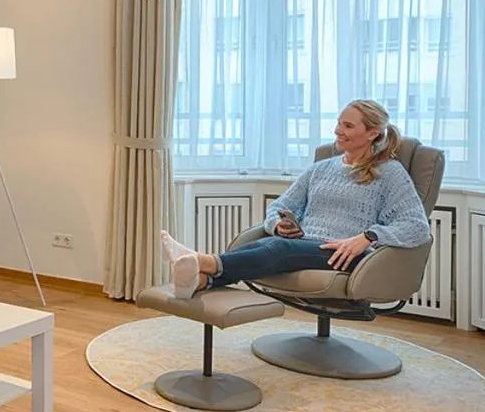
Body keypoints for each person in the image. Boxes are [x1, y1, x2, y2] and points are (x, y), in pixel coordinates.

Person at [160, 99, 431, 299]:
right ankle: (201, 281)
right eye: (338, 122)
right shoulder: (321, 168)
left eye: (348, 126)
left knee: (278, 249)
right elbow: (280, 206)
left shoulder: (390, 173)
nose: (338, 130)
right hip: (305, 245)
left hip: (344, 254)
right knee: (271, 242)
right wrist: (279, 225)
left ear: (372, 133)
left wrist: (368, 237)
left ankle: (199, 260)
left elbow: (417, 226)